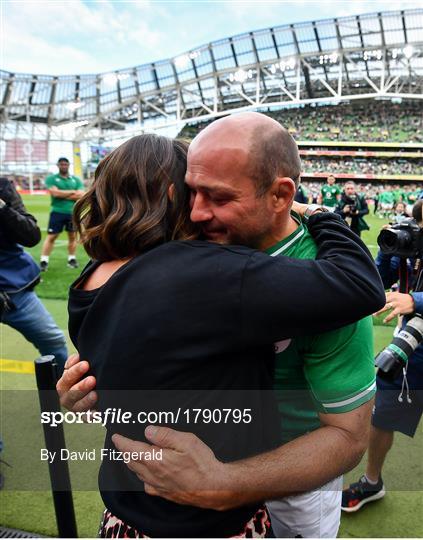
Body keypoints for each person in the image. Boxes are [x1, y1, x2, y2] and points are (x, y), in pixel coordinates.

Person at [59, 115, 384, 537]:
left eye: (216, 196)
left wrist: (226, 483)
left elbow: (347, 436)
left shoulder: (312, 276)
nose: (196, 212)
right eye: (191, 193)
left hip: (286, 484)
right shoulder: (181, 268)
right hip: (182, 501)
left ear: (281, 195)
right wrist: (93, 384)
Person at [342, 200, 423, 512]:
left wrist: (415, 300)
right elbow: (376, 277)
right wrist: (390, 252)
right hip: (410, 349)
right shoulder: (410, 244)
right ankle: (372, 481)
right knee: (384, 412)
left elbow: (411, 298)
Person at [0, 178, 68, 370]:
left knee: (54, 342)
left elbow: (31, 236)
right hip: (15, 287)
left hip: (15, 291)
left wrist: (3, 208)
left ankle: (66, 395)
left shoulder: (3, 186)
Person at [40, 157, 84, 271]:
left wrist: (61, 193)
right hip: (57, 212)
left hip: (72, 213)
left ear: (69, 165)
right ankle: (44, 261)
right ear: (58, 165)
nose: (64, 166)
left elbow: (81, 195)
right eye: (61, 164)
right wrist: (72, 192)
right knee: (52, 236)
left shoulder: (76, 179)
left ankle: (71, 259)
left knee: (72, 236)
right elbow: (55, 194)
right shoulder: (52, 179)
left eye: (65, 164)